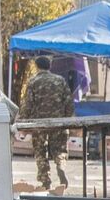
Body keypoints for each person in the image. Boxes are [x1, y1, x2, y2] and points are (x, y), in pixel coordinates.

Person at [19, 55, 74, 188]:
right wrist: (69, 121)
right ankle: (61, 165)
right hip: (59, 122)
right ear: (50, 66)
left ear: (37, 66)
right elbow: (68, 102)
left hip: (39, 123)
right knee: (60, 148)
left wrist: (24, 123)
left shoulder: (33, 82)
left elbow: (28, 104)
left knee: (40, 151)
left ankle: (45, 181)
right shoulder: (60, 80)